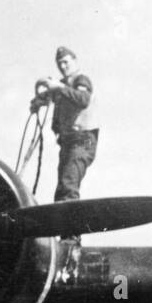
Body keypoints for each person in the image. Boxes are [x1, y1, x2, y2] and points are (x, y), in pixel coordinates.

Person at [33, 46, 98, 239]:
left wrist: (59, 88)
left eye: (66, 62)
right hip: (68, 143)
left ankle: (71, 241)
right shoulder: (62, 86)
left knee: (68, 187)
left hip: (83, 141)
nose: (62, 66)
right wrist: (37, 101)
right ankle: (65, 238)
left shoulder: (81, 80)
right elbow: (49, 96)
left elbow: (83, 99)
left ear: (75, 61)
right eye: (59, 63)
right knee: (62, 190)